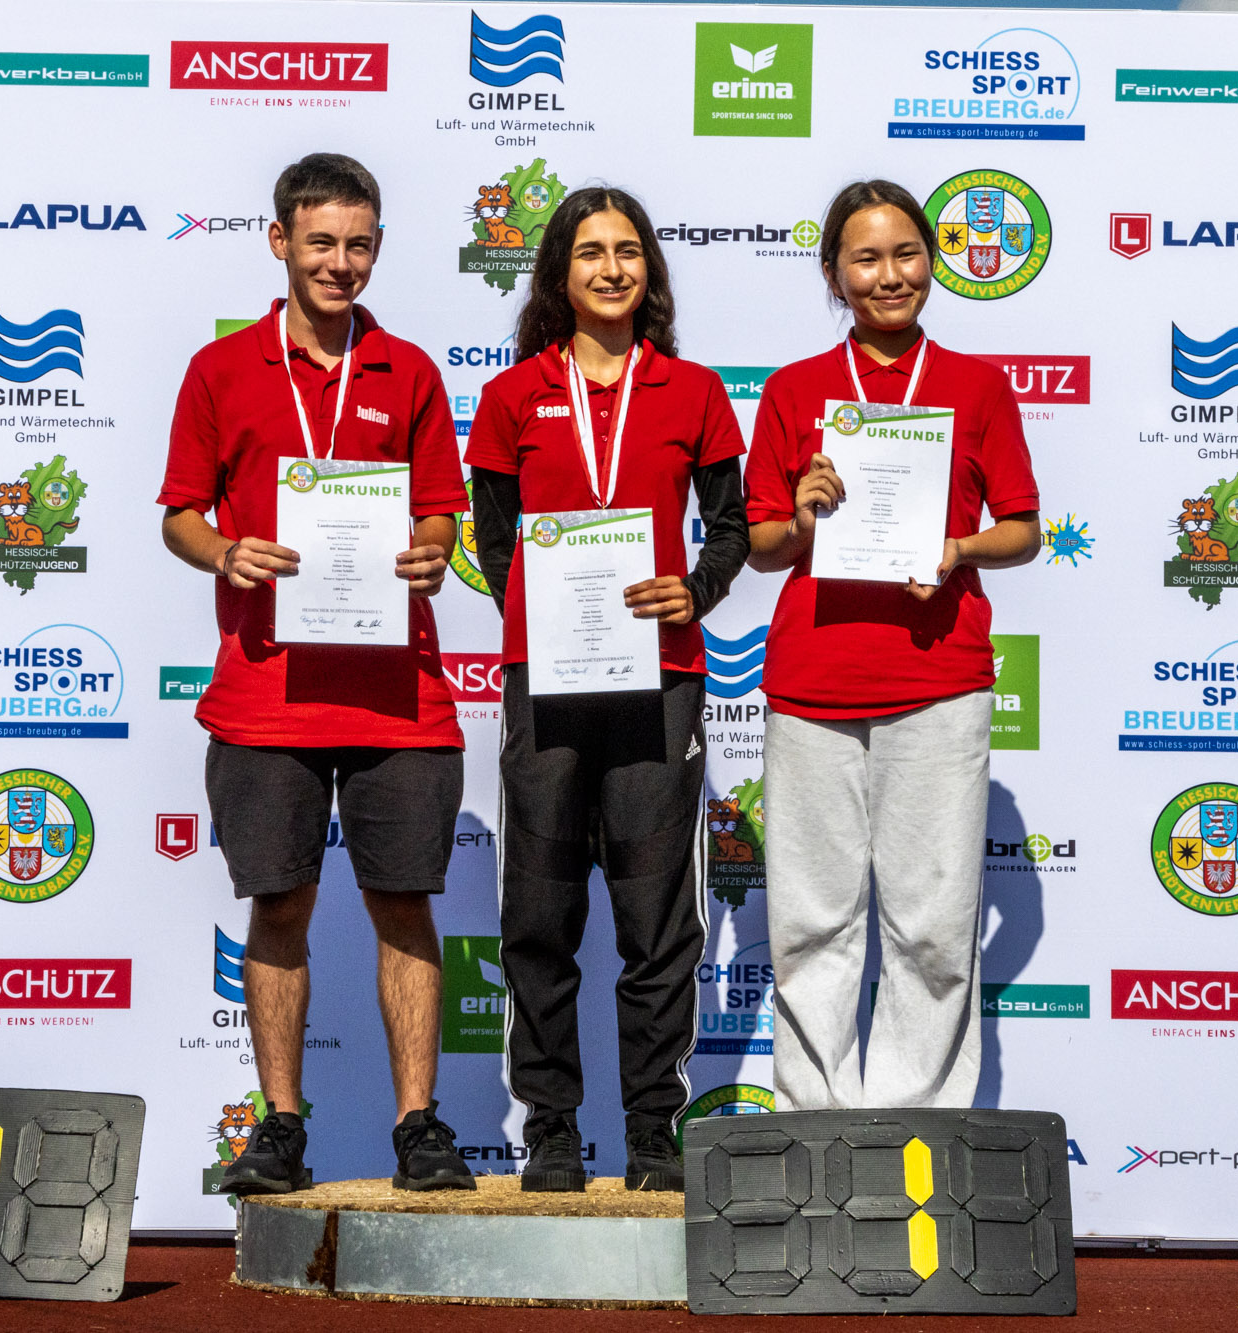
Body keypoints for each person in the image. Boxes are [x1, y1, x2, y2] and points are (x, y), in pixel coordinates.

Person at [157, 153, 476, 1194]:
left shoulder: (410, 370)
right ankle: (281, 1125)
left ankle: (418, 1125)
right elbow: (180, 515)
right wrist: (224, 553)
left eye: (359, 244)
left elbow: (440, 508)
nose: (341, 262)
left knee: (404, 905)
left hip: (398, 694)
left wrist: (430, 550)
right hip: (265, 690)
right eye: (322, 242)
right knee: (280, 907)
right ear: (280, 242)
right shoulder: (220, 369)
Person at [465, 187, 749, 1191]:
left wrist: (696, 590)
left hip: (659, 681)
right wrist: (548, 617)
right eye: (590, 252)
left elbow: (730, 527)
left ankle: (652, 1130)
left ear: (649, 271)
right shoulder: (510, 396)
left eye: (628, 251)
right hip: (546, 685)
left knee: (656, 921)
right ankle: (550, 1125)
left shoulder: (693, 391)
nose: (612, 268)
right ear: (559, 273)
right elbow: (493, 539)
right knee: (539, 916)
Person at [743, 179, 1042, 1111]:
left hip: (938, 680)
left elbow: (1025, 528)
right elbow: (761, 545)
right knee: (810, 922)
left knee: (935, 927)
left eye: (906, 253)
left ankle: (916, 1132)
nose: (889, 275)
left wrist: (958, 550)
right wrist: (802, 516)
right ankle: (815, 1126)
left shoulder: (978, 385)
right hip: (813, 682)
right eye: (865, 258)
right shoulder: (793, 389)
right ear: (834, 275)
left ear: (933, 261)